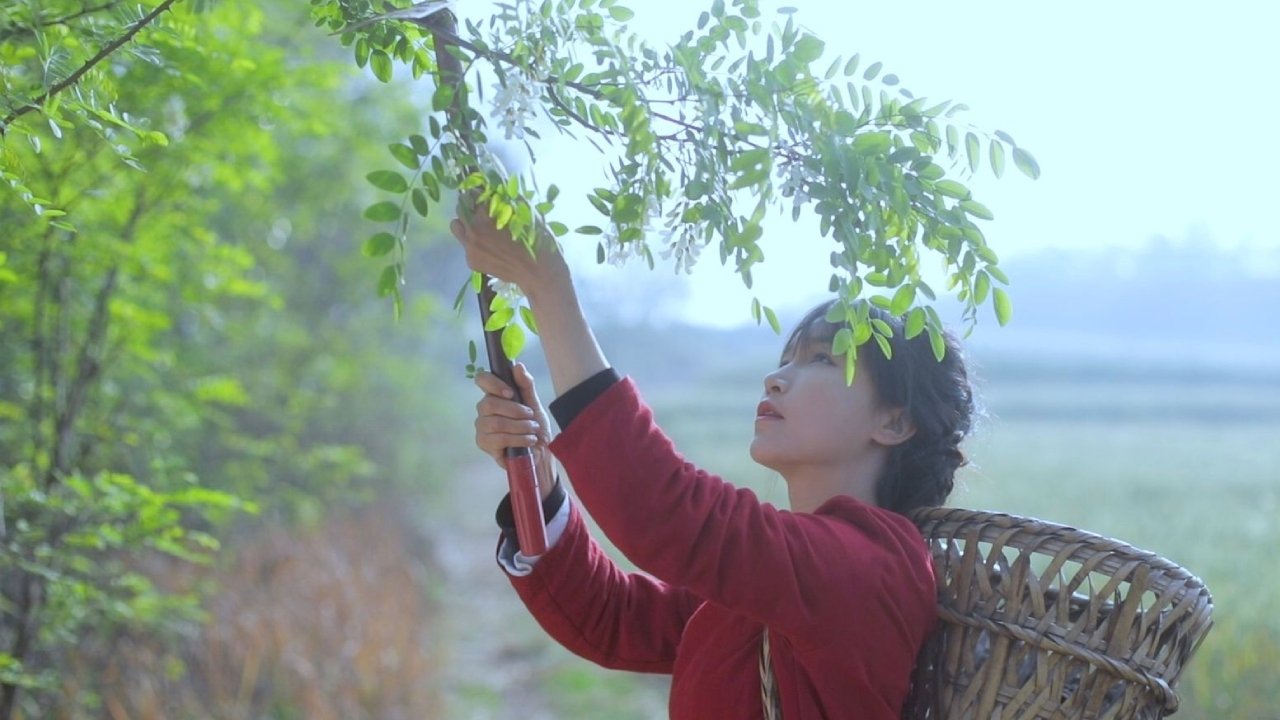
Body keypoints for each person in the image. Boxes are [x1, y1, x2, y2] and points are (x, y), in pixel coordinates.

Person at [452, 199, 974, 719]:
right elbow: (613, 618)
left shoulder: (872, 566)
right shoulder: (777, 578)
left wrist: (548, 286)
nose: (776, 378)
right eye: (785, 359)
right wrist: (539, 478)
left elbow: (670, 515)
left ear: (894, 423)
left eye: (821, 359)